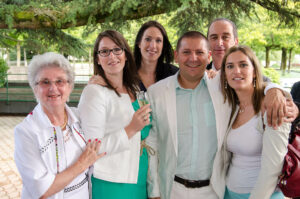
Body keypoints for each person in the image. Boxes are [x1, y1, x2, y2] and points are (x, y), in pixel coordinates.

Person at [146, 31, 298, 199]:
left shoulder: (220, 87)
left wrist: (274, 90)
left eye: (200, 52)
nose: (193, 58)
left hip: (214, 190)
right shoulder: (156, 93)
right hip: (173, 189)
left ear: (209, 56)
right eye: (186, 52)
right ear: (176, 55)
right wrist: (155, 191)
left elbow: (254, 83)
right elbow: (152, 144)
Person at [14, 52, 105, 199]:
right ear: (34, 88)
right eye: (45, 82)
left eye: (60, 81)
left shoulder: (79, 117)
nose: (53, 88)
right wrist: (81, 164)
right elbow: (42, 190)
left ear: (70, 87)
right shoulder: (25, 132)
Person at [78, 30, 152, 199]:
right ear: (98, 58)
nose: (112, 56)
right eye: (104, 51)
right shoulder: (94, 92)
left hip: (138, 177)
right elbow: (92, 149)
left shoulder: (134, 88)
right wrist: (131, 129)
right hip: (112, 182)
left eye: (117, 49)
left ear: (125, 55)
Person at [219, 46, 290, 199]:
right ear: (224, 75)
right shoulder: (232, 108)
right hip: (229, 192)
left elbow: (274, 167)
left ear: (255, 71)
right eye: (230, 66)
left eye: (243, 65)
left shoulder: (271, 106)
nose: (236, 71)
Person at [206, 18, 271, 82]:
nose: (219, 43)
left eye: (225, 37)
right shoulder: (200, 76)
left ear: (236, 42)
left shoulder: (261, 81)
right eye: (214, 37)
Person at [134, 20, 179, 90]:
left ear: (163, 46)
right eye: (148, 39)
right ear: (139, 43)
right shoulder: (126, 74)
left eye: (158, 41)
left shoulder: (174, 74)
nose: (153, 46)